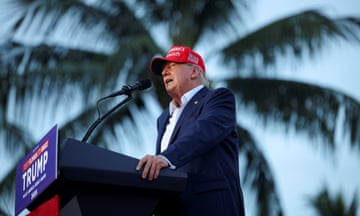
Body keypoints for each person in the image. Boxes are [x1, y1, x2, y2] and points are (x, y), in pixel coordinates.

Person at [136, 45, 245, 216]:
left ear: (194, 72)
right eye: (163, 70)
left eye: (172, 66)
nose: (165, 73)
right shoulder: (163, 118)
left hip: (211, 208)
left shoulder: (218, 98)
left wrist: (166, 157)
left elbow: (204, 130)